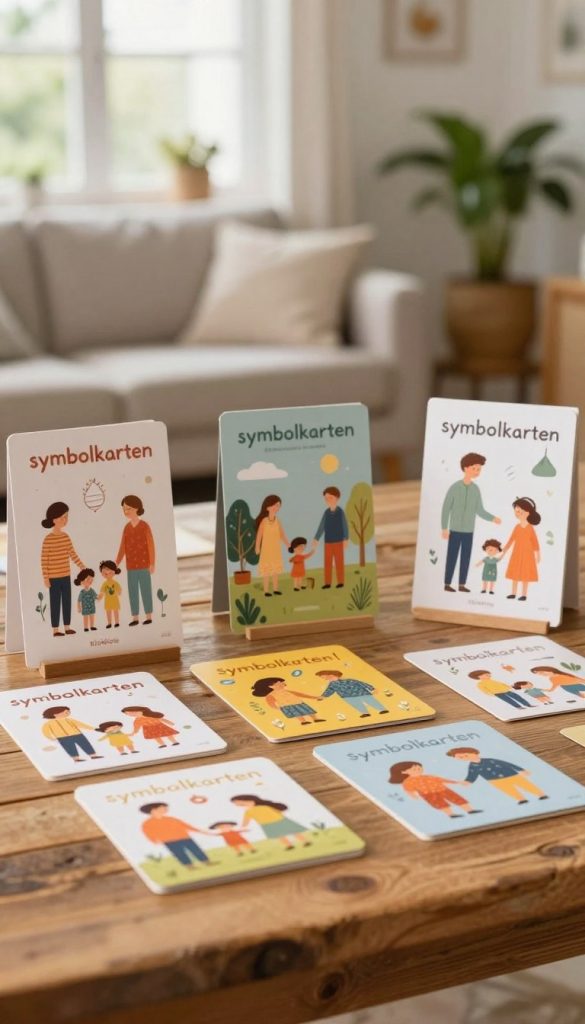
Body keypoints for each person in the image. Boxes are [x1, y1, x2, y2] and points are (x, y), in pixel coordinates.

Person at [441, 453, 501, 594]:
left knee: (465, 558)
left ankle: (462, 584)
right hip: (455, 530)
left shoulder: (475, 489)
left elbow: (480, 510)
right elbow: (446, 508)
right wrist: (444, 528)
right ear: (466, 468)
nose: (477, 472)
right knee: (452, 556)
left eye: (479, 469)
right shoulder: (454, 487)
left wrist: (493, 518)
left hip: (468, 531)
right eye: (475, 468)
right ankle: (447, 583)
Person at [40, 501, 85, 637]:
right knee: (55, 603)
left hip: (66, 576)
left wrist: (81, 566)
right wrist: (46, 577)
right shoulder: (48, 539)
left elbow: (72, 554)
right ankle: (55, 629)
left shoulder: (66, 537)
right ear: (54, 519)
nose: (65, 520)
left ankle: (67, 627)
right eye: (62, 517)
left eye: (66, 517)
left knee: (66, 601)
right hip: (53, 578)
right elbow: (44, 560)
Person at [446, 747, 548, 804]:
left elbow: (507, 764)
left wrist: (521, 770)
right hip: (495, 780)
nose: (464, 758)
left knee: (526, 785)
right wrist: (468, 781)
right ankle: (521, 799)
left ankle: (540, 794)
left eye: (465, 755)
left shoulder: (490, 760)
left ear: (474, 753)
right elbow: (472, 774)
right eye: (460, 758)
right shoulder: (472, 766)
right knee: (509, 790)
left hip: (512, 775)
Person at [388, 761, 481, 818]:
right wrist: (413, 796)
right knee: (441, 804)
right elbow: (409, 790)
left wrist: (456, 782)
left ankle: (469, 810)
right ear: (404, 771)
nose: (418, 770)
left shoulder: (429, 776)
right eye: (415, 769)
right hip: (428, 794)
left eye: (419, 768)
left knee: (458, 799)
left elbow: (442, 780)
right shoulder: (408, 781)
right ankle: (451, 814)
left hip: (444, 790)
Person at [116, 495, 155, 626]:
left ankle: (148, 616)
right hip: (131, 566)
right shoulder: (126, 528)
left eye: (129, 508)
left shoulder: (144, 526)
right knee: (133, 591)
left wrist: (152, 563)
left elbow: (151, 545)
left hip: (144, 566)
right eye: (124, 509)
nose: (126, 511)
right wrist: (116, 563)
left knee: (145, 590)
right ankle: (135, 618)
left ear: (137, 508)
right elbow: (122, 547)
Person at [139, 802, 212, 868]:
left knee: (195, 850)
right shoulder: (148, 823)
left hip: (184, 837)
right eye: (162, 808)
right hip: (169, 841)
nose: (166, 809)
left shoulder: (171, 819)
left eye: (165, 808)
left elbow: (185, 825)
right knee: (179, 853)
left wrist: (200, 831)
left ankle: (206, 862)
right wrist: (154, 840)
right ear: (153, 810)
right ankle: (190, 866)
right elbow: (148, 833)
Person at [231, 794, 311, 850]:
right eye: (239, 804)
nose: (242, 805)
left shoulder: (264, 806)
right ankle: (289, 845)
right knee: (280, 836)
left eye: (242, 803)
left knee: (294, 832)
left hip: (279, 821)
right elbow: (246, 820)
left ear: (251, 801)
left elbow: (277, 811)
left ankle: (305, 841)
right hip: (267, 824)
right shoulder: (248, 811)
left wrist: (281, 817)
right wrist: (243, 826)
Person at [501, 497, 541, 601]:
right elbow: (511, 540)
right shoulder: (517, 527)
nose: (517, 513)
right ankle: (513, 593)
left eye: (520, 511)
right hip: (517, 554)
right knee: (515, 574)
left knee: (525, 575)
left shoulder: (530, 528)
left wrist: (538, 554)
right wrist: (504, 550)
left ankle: (524, 594)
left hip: (527, 555)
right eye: (516, 511)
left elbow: (535, 542)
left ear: (528, 512)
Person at [315, 669, 390, 718]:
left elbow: (361, 683)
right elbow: (329, 691)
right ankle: (365, 713)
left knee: (371, 701)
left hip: (361, 693)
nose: (323, 678)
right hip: (347, 696)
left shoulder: (349, 680)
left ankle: (382, 709)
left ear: (331, 675)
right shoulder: (332, 684)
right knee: (357, 704)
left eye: (324, 677)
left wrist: (372, 688)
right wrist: (323, 697)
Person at [250, 677, 326, 726]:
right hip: (287, 706)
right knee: (297, 714)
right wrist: (277, 708)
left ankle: (315, 719)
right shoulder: (270, 695)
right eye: (279, 683)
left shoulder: (287, 691)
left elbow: (300, 694)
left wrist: (314, 697)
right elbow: (271, 703)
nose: (283, 684)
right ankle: (303, 721)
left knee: (309, 711)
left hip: (299, 702)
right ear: (271, 686)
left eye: (282, 683)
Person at [313, 486, 349, 589]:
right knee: (327, 562)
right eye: (326, 498)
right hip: (328, 542)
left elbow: (345, 525)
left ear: (337, 498)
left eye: (330, 498)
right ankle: (327, 583)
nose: (328, 500)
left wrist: (346, 539)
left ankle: (340, 582)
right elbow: (322, 526)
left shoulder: (340, 512)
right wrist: (316, 538)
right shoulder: (326, 513)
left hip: (338, 541)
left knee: (339, 562)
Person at [255, 494, 289, 597]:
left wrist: (288, 545)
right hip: (266, 551)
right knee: (266, 572)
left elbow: (282, 534)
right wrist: (257, 547)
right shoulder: (264, 521)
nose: (276, 507)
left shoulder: (277, 521)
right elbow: (259, 535)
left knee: (275, 571)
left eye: (278, 505)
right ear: (267, 507)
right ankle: (266, 591)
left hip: (275, 550)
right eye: (274, 505)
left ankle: (275, 589)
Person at [467, 669, 533, 710]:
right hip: (498, 693)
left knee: (518, 697)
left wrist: (509, 687)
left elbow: (502, 684)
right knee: (509, 700)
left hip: (506, 690)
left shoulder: (493, 680)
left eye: (489, 674)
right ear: (479, 676)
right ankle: (518, 707)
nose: (489, 675)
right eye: (487, 675)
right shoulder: (480, 684)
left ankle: (528, 705)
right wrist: (492, 694)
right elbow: (484, 690)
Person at [98, 560, 122, 628]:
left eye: (110, 572)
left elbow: (119, 589)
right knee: (108, 612)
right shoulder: (105, 584)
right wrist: (100, 596)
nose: (107, 573)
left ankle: (116, 622)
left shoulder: (115, 582)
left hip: (115, 600)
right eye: (105, 573)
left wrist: (119, 592)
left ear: (114, 572)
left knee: (115, 611)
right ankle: (109, 623)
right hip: (108, 600)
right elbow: (102, 591)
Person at [75, 568, 98, 632]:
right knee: (85, 617)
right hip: (85, 608)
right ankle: (86, 627)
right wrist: (79, 607)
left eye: (91, 579)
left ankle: (92, 626)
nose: (90, 581)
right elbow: (79, 600)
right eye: (88, 579)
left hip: (92, 607)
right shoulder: (82, 592)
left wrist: (100, 596)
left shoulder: (92, 590)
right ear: (82, 582)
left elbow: (96, 596)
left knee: (92, 616)